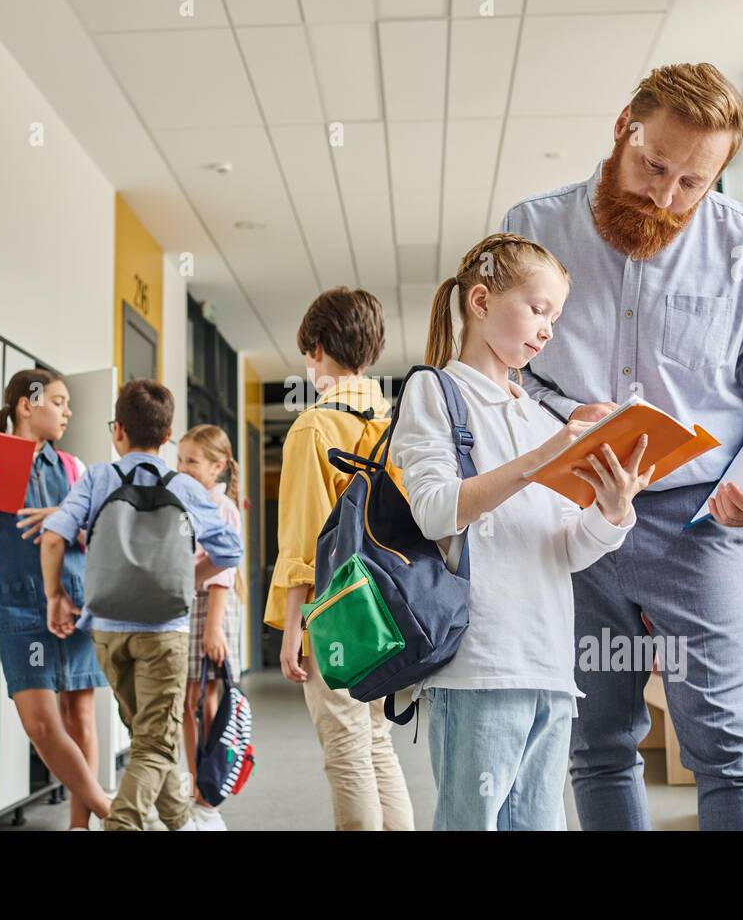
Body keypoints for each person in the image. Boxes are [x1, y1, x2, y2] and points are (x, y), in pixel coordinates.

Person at [502, 62, 743, 830]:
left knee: (726, 744)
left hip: (698, 523)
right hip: (572, 517)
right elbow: (501, 371)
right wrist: (559, 413)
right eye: (656, 166)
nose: (666, 197)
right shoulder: (532, 228)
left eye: (694, 183)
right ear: (625, 126)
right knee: (599, 741)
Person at [388, 232, 652, 830]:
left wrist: (610, 512)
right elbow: (434, 510)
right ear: (480, 302)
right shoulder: (436, 390)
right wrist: (544, 456)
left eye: (555, 317)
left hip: (550, 664)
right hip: (481, 662)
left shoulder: (539, 416)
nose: (547, 330)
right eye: (538, 309)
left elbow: (567, 548)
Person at [39, 379, 244, 831]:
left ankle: (179, 822)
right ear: (168, 437)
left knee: (149, 736)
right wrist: (190, 577)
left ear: (118, 431)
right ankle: (123, 825)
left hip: (107, 630)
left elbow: (53, 537)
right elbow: (230, 550)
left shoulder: (96, 478)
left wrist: (56, 596)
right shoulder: (185, 487)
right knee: (154, 743)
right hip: (163, 632)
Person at [266, 287, 414, 831]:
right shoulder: (396, 424)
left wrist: (292, 626)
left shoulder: (314, 426)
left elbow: (304, 542)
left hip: (338, 613)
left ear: (318, 348)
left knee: (346, 754)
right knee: (377, 743)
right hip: (396, 609)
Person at [0, 368, 112, 831]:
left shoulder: (72, 468)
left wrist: (66, 519)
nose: (68, 411)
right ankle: (115, 814)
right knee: (41, 725)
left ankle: (81, 826)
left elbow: (99, 535)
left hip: (74, 600)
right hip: (21, 608)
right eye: (59, 402)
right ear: (27, 405)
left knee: (80, 713)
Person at [175, 423, 244, 831]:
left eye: (192, 461)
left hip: (211, 609)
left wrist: (213, 629)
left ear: (217, 466)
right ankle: (197, 788)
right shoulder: (190, 501)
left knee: (205, 702)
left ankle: (208, 794)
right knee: (189, 702)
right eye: (180, 460)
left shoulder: (222, 507)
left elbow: (221, 572)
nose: (182, 468)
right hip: (192, 606)